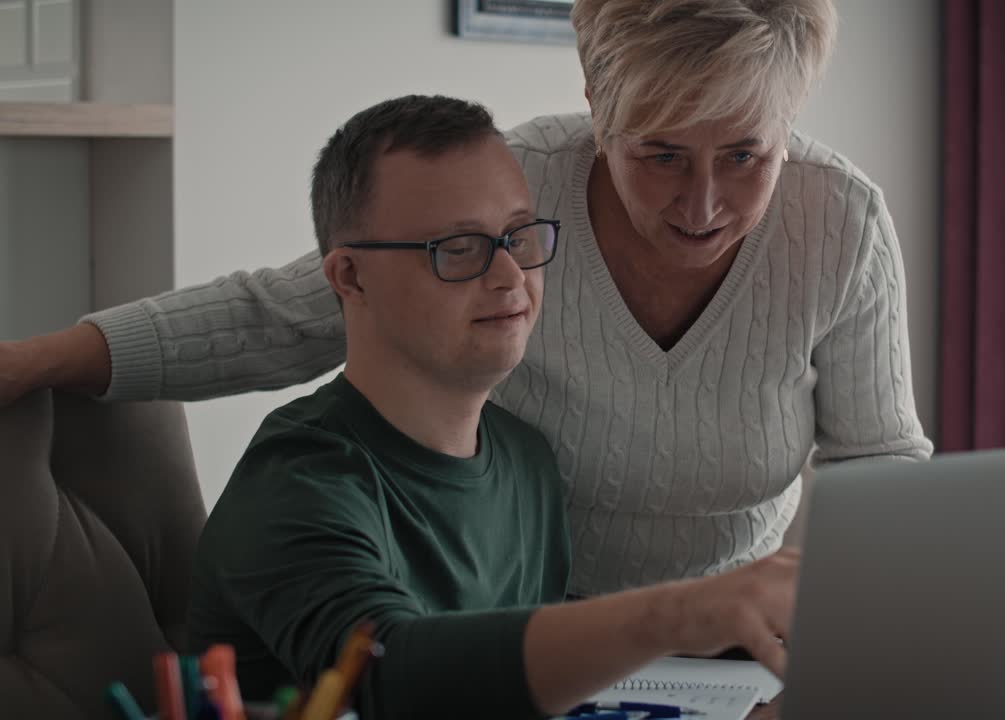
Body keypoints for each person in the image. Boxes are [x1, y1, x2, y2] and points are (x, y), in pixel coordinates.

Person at [0, 0, 932, 597]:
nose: (702, 205)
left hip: (727, 646)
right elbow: (287, 313)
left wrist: (818, 646)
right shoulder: (515, 190)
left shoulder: (839, 221)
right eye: (659, 155)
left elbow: (879, 465)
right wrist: (32, 361)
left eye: (745, 156)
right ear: (599, 111)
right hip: (504, 632)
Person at [192, 93, 798, 719]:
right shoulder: (299, 478)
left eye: (518, 235)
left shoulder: (526, 458)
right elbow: (385, 682)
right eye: (458, 248)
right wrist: (675, 613)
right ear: (350, 277)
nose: (511, 276)